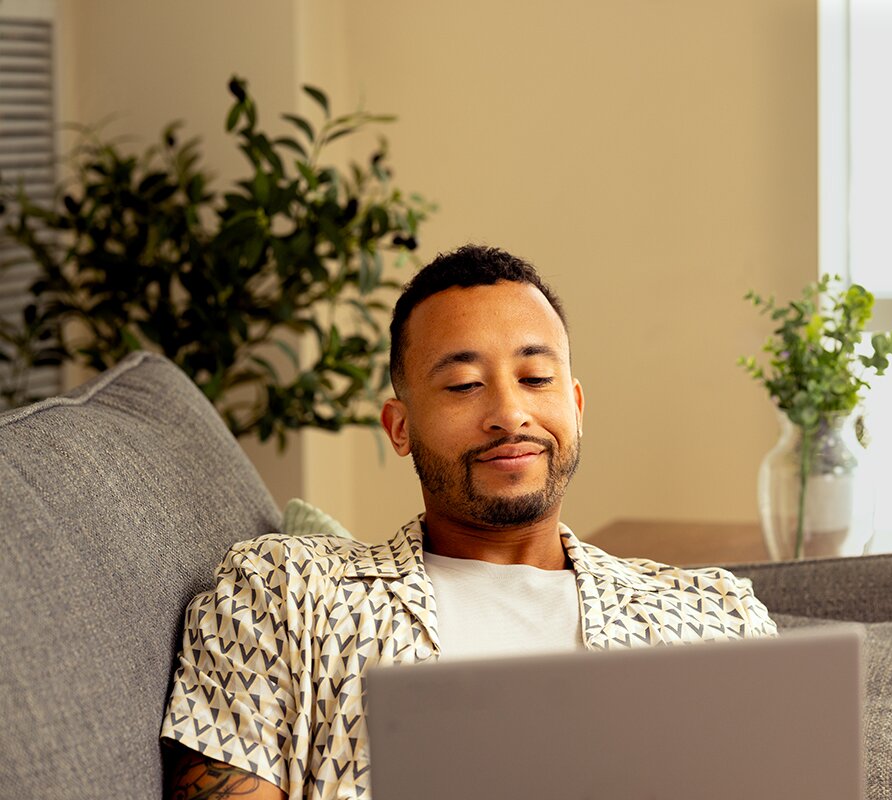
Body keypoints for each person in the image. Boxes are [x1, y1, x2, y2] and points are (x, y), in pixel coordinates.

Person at [160, 245, 778, 799]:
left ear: (577, 406)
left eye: (537, 378)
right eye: (463, 386)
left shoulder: (716, 616)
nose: (510, 414)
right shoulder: (285, 592)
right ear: (400, 427)